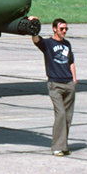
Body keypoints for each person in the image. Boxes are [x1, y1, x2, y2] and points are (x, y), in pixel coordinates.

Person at [31, 17, 76, 155]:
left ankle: (63, 146)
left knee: (68, 117)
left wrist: (74, 79)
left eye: (66, 29)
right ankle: (57, 148)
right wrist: (32, 24)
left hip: (68, 83)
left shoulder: (67, 44)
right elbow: (36, 40)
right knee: (61, 114)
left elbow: (71, 61)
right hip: (55, 84)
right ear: (54, 29)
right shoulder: (48, 43)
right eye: (62, 29)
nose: (64, 31)